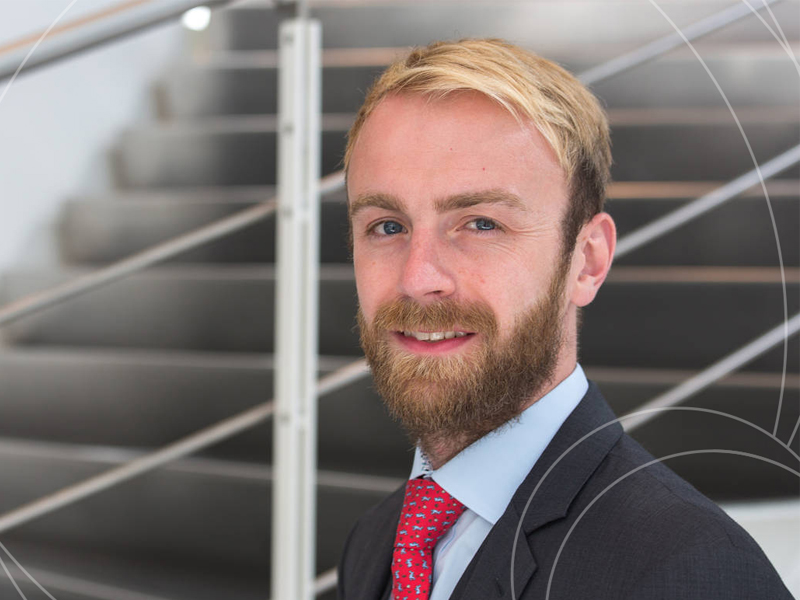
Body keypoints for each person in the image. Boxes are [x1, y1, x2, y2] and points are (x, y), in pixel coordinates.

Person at [337, 39, 793, 600]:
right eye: (387, 226)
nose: (418, 277)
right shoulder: (377, 542)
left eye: (481, 224)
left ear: (588, 261)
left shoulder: (690, 569)